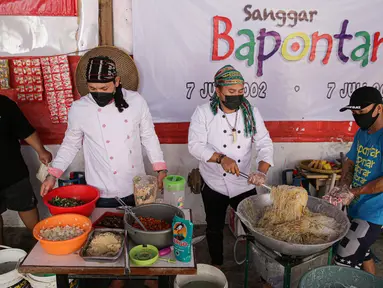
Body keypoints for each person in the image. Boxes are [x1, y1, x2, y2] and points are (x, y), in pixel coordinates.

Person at [40, 54, 167, 205]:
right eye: (92, 88)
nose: (98, 92)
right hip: (101, 187)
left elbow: (148, 136)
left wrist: (160, 168)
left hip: (136, 184)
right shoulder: (80, 108)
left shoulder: (136, 101)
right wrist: (53, 174)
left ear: (117, 81)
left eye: (104, 88)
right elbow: (70, 144)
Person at [188, 65, 274, 266]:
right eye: (231, 92)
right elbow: (195, 146)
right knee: (214, 227)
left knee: (257, 227)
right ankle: (217, 265)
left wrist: (261, 171)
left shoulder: (251, 112)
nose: (237, 96)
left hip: (244, 182)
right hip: (213, 182)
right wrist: (220, 158)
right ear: (218, 91)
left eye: (241, 91)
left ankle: (261, 267)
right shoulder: (203, 113)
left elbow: (264, 142)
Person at [324, 86, 383, 274]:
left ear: (379, 108)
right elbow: (350, 162)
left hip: (375, 213)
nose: (357, 116)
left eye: (361, 111)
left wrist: (354, 192)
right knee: (362, 252)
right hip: (356, 206)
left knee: (344, 256)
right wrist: (343, 186)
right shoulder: (362, 132)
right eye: (354, 112)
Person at [0, 95, 52, 245]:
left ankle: (41, 241)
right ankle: (2, 251)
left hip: (12, 170)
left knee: (26, 206)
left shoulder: (4, 103)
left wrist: (41, 151)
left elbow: (25, 130)